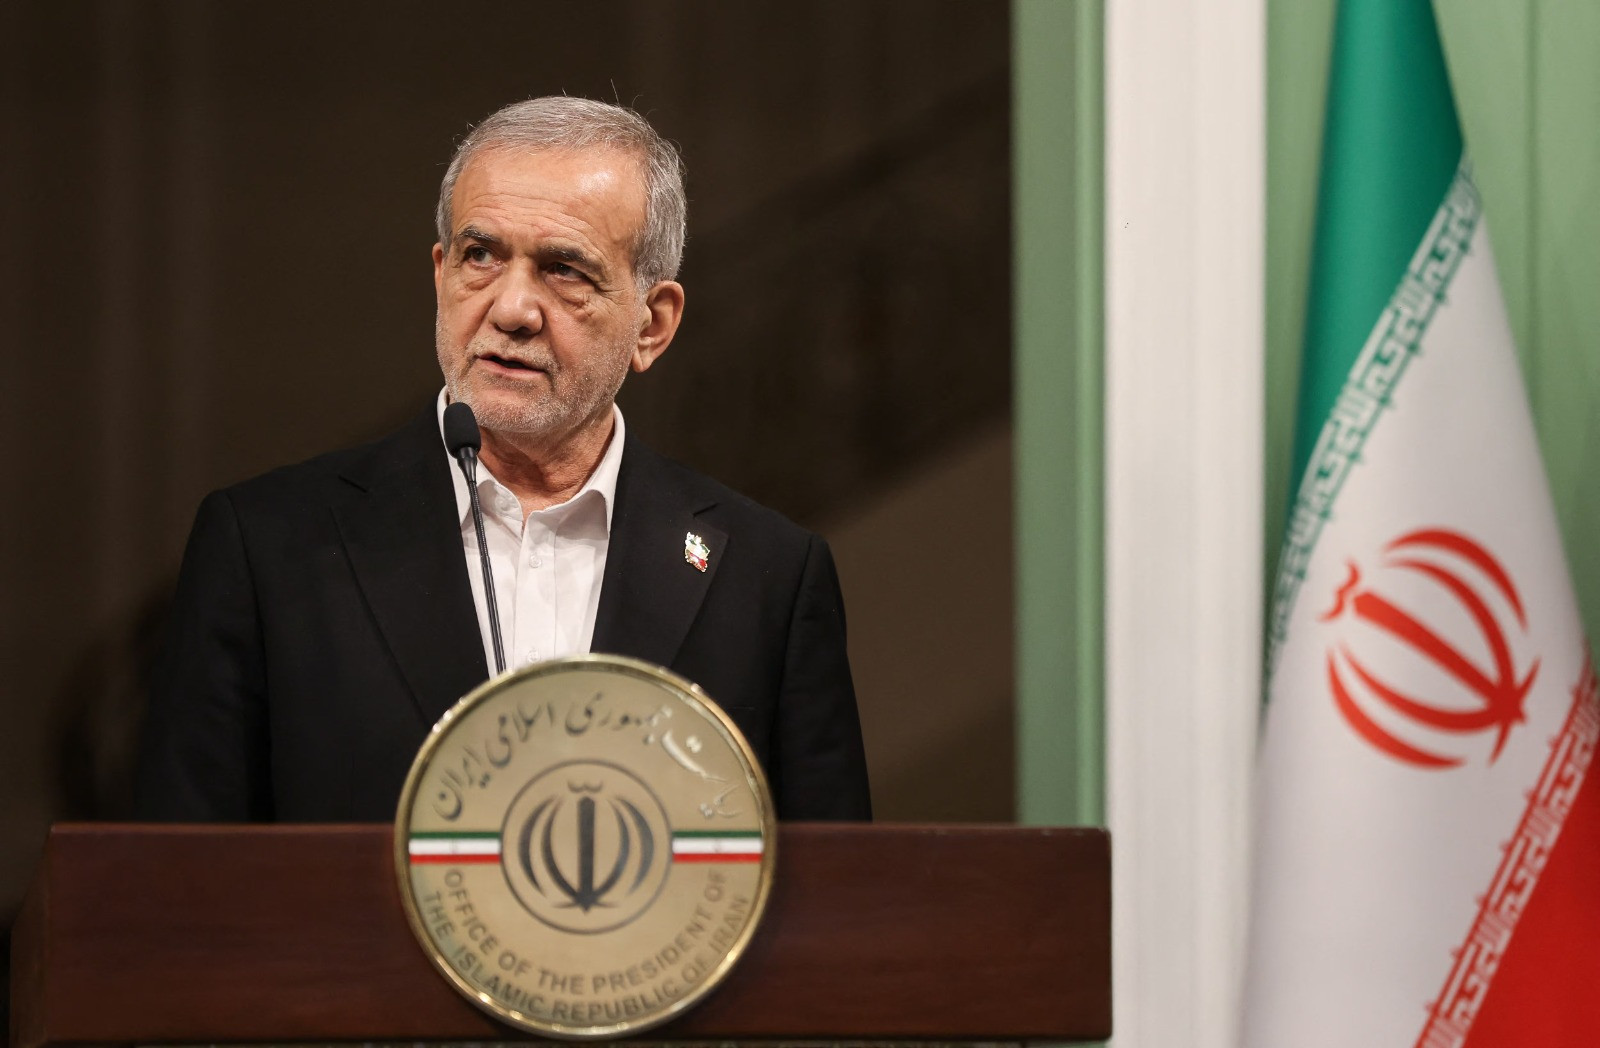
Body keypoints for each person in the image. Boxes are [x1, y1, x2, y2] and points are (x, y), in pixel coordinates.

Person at [135, 97, 871, 823]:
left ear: (652, 324)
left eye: (565, 269)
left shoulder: (768, 576)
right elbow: (179, 875)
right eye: (480, 256)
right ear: (440, 275)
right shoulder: (267, 549)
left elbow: (842, 886)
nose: (511, 309)